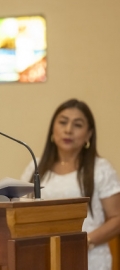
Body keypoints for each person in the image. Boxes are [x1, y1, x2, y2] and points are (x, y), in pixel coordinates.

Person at [20, 98, 120, 270]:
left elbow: (117, 218)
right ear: (53, 128)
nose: (68, 130)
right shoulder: (35, 166)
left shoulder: (100, 169)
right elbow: (20, 211)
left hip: (89, 258)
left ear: (89, 134)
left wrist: (83, 242)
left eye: (77, 125)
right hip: (42, 258)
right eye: (63, 122)